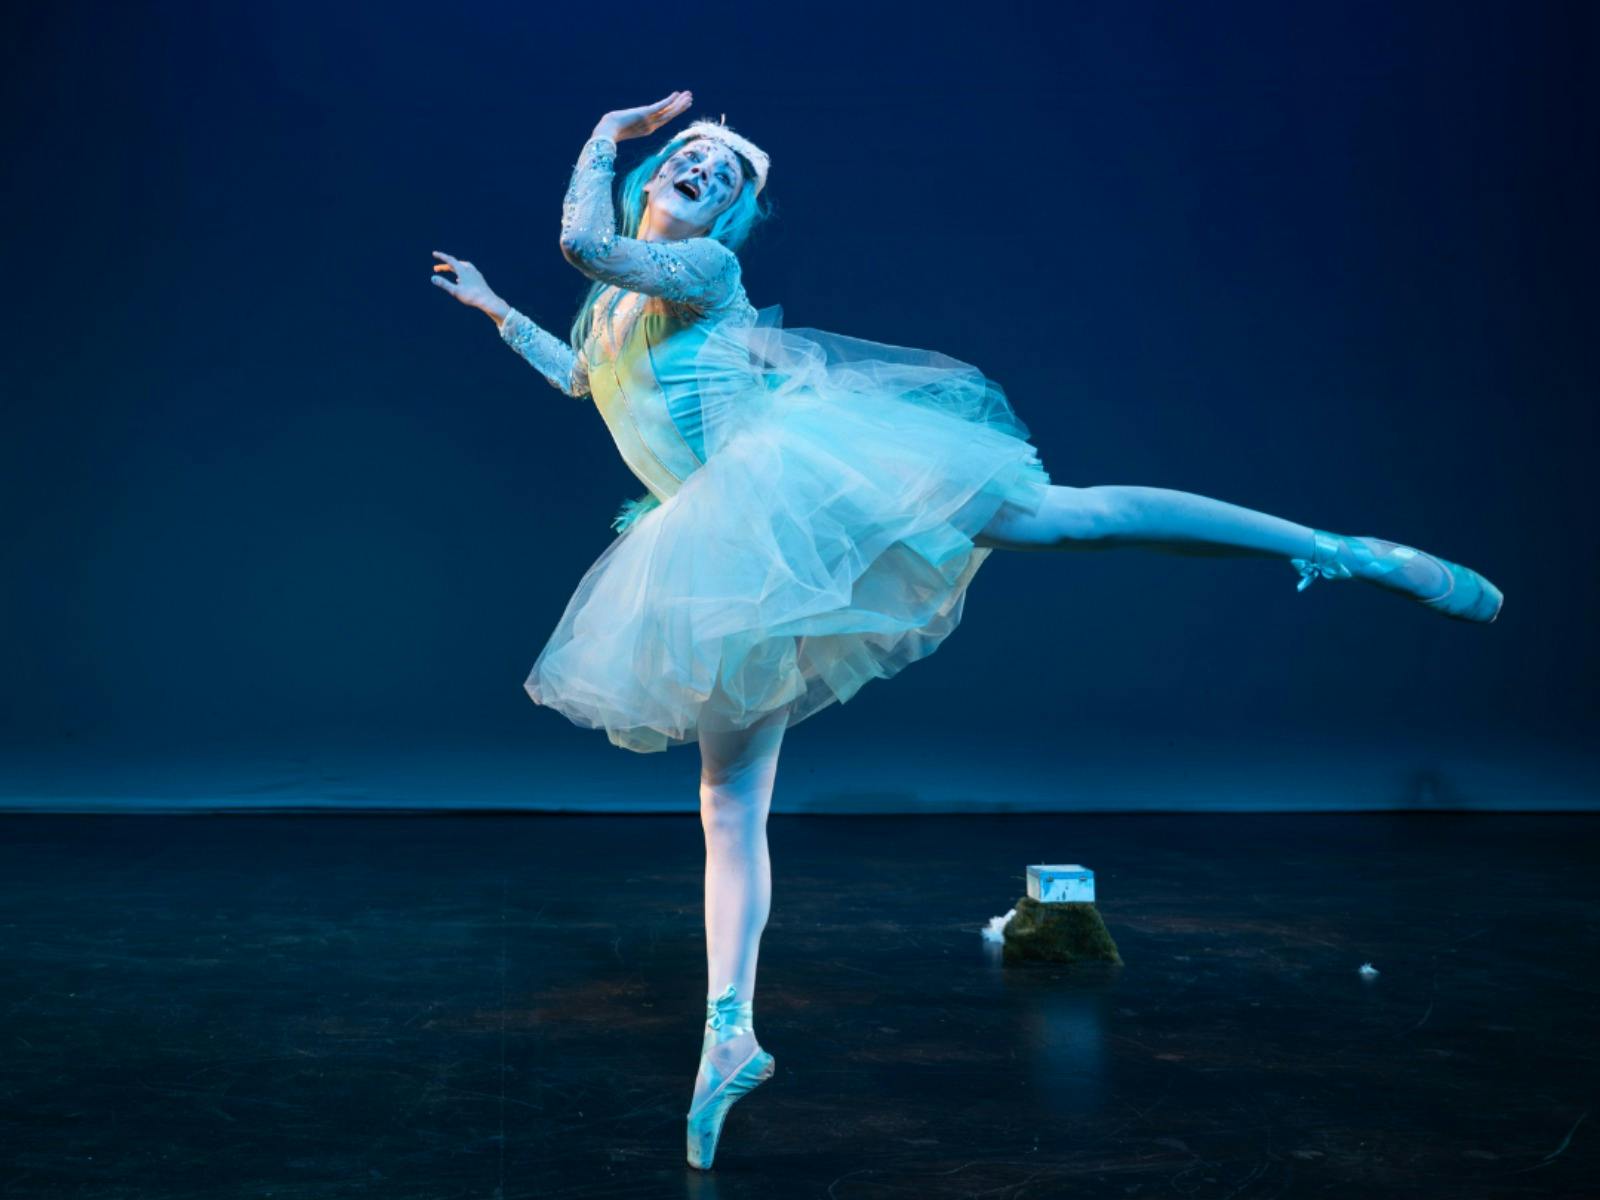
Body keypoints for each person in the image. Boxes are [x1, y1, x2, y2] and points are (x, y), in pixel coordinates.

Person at [431, 90, 1503, 1168]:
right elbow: (582, 378)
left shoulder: (698, 273)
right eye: (692, 153)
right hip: (721, 557)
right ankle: (727, 1034)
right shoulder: (615, 309)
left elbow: (580, 238)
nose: (706, 168)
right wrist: (491, 310)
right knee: (725, 803)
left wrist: (609, 132)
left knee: (1069, 518)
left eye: (729, 174)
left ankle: (1343, 549)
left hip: (806, 496)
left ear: (731, 220)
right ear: (659, 177)